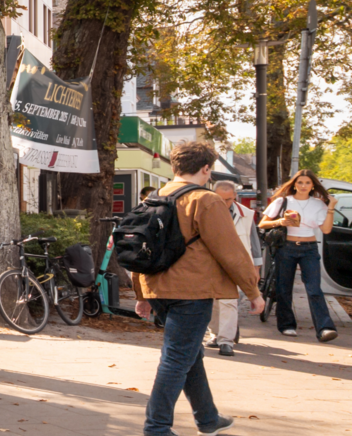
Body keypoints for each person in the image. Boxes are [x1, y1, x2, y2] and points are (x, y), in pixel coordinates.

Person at [132, 140, 263, 436]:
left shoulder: (154, 197)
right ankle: (157, 427)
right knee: (177, 358)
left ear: (174, 165)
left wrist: (142, 295)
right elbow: (230, 251)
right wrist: (253, 292)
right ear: (206, 168)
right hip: (192, 291)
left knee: (190, 355)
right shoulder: (206, 200)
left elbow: (141, 248)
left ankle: (207, 417)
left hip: (158, 288)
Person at [259, 169, 339, 342]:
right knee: (283, 288)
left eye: (307, 183)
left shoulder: (318, 204)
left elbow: (326, 229)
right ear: (294, 184)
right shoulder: (283, 201)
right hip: (286, 247)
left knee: (314, 289)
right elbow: (262, 223)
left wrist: (331, 206)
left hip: (309, 248)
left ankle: (325, 328)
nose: (303, 186)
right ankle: (287, 325)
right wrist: (280, 221)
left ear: (313, 186)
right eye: (300, 182)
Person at [204, 180, 259, 356]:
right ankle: (215, 334)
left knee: (229, 301)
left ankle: (226, 341)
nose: (224, 203)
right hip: (212, 263)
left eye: (228, 199)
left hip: (237, 264)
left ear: (235, 196)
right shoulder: (206, 212)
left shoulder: (247, 214)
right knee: (213, 301)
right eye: (220, 199)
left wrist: (256, 269)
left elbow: (254, 242)